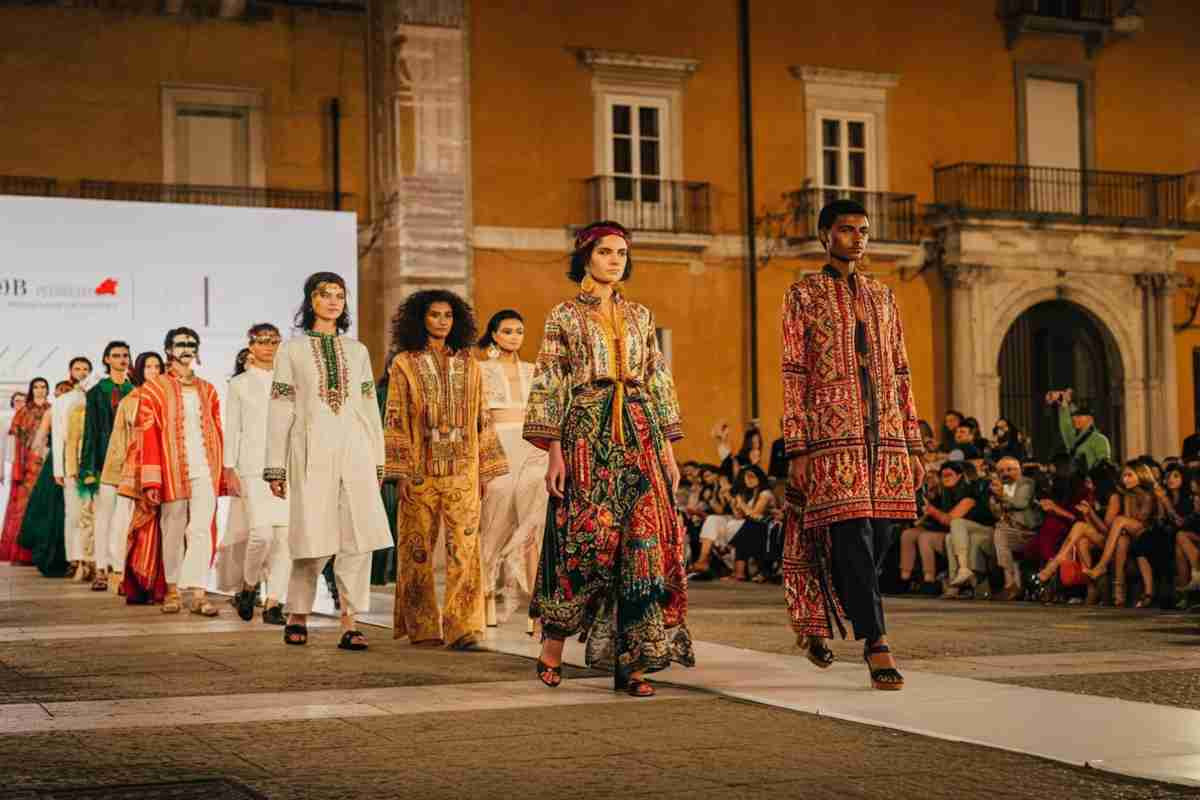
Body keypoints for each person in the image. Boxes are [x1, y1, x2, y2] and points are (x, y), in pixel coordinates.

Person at [526, 220, 692, 697]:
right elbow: (551, 380)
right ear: (585, 257)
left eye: (621, 252)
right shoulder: (563, 316)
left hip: (640, 431)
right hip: (585, 430)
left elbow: (657, 379)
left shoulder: (641, 316)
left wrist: (667, 449)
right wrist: (554, 449)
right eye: (605, 252)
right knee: (586, 537)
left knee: (642, 544)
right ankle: (553, 645)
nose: (615, 259)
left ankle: (632, 663)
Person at [781, 199, 924, 690]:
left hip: (884, 438)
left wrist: (914, 444)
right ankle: (876, 642)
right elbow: (793, 371)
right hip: (829, 437)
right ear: (825, 236)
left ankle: (828, 607)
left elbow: (901, 371)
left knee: (881, 531)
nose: (858, 238)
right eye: (846, 230)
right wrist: (797, 446)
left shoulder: (884, 297)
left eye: (863, 230)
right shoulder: (802, 295)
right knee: (852, 535)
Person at [267, 272, 392, 650]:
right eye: (325, 295)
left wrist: (377, 459)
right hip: (311, 449)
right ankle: (298, 614)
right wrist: (276, 464)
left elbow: (370, 407)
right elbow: (281, 407)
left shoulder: (357, 351)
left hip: (354, 448)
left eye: (340, 295)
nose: (334, 301)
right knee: (312, 534)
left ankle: (350, 620)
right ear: (311, 302)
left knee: (357, 536)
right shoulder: (292, 350)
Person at [385, 291, 507, 650]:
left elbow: (482, 416)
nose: (442, 321)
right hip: (419, 470)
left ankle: (463, 628)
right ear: (419, 319)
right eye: (434, 314)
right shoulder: (404, 363)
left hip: (464, 469)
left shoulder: (470, 364)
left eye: (448, 315)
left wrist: (485, 470)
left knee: (465, 549)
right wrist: (401, 471)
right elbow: (395, 417)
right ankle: (422, 626)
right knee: (417, 548)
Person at [133, 327, 226, 616]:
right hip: (170, 469)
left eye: (192, 344)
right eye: (181, 344)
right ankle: (172, 590)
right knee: (172, 529)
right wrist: (151, 476)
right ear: (169, 350)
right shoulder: (154, 388)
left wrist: (223, 470)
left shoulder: (207, 389)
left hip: (205, 468)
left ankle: (197, 592)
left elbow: (218, 429)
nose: (187, 348)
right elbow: (146, 434)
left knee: (201, 530)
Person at [476, 309, 549, 629]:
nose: (514, 336)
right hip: (498, 450)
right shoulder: (480, 371)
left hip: (533, 450)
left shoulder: (535, 371)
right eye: (507, 331)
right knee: (493, 527)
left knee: (532, 529)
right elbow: (480, 421)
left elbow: (543, 417)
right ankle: (486, 601)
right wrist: (481, 460)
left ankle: (537, 609)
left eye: (519, 331)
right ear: (493, 334)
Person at [223, 325, 291, 625]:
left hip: (288, 465)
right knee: (261, 534)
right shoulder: (239, 384)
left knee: (285, 538)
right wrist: (229, 468)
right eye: (262, 341)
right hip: (251, 466)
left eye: (274, 341)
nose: (268, 346)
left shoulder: (291, 381)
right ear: (251, 346)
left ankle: (275, 601)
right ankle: (249, 585)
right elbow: (233, 427)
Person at [101, 352, 164, 602]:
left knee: (162, 527)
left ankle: (160, 582)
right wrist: (114, 475)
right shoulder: (130, 400)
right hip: (135, 470)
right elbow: (118, 440)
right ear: (139, 370)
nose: (153, 370)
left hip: (162, 468)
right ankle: (127, 577)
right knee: (130, 525)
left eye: (157, 366)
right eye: (148, 366)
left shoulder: (168, 398)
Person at [80, 344, 133, 591]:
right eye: (116, 356)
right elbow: (89, 432)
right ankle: (101, 569)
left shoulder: (135, 390)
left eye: (125, 356)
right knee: (104, 518)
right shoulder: (96, 393)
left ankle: (119, 570)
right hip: (103, 463)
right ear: (106, 359)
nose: (122, 360)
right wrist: (88, 469)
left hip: (130, 462)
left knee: (124, 521)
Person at [18, 380, 77, 577]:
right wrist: (44, 458)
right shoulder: (51, 412)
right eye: (60, 391)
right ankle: (53, 556)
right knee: (52, 509)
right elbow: (38, 441)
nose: (63, 394)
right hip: (55, 461)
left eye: (66, 391)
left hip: (73, 460)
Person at [46, 357, 93, 581]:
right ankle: (75, 559)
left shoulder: (95, 397)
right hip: (70, 462)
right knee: (72, 514)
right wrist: (58, 469)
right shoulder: (62, 401)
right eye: (78, 368)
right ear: (70, 371)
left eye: (86, 369)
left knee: (93, 513)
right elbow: (57, 436)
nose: (82, 372)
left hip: (93, 463)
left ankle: (92, 559)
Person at [1, 378, 52, 564]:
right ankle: (22, 554)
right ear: (31, 390)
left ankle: (43, 554)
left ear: (48, 389)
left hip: (47, 462)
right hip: (27, 464)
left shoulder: (52, 409)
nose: (40, 390)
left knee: (46, 507)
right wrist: (17, 467)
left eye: (43, 387)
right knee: (22, 508)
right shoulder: (23, 412)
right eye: (36, 387)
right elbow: (17, 442)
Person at [989, 456, 1043, 600]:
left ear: (1019, 470)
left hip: (1028, 531)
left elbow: (1020, 503)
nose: (1005, 473)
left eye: (1010, 469)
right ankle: (1011, 584)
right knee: (1000, 532)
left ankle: (1010, 583)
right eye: (1001, 471)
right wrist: (995, 499)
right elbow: (996, 513)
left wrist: (1001, 496)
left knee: (1000, 533)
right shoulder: (998, 486)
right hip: (1010, 531)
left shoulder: (1027, 483)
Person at [725, 464, 774, 581]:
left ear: (759, 477)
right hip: (753, 526)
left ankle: (739, 572)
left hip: (767, 526)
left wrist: (741, 503)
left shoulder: (765, 493)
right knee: (746, 527)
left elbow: (756, 515)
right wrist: (733, 500)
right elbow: (739, 515)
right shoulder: (751, 494)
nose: (748, 480)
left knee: (749, 526)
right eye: (745, 477)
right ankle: (739, 573)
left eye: (751, 477)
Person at [1049, 390, 1111, 471]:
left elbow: (1104, 467)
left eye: (1079, 416)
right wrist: (1063, 404)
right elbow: (1066, 426)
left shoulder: (1100, 439)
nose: (1074, 419)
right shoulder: (1073, 438)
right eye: (1074, 416)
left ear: (1090, 419)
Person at [0, 392, 27, 525]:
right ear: (12, 403)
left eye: (23, 401)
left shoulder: (30, 420)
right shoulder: (5, 421)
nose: (20, 404)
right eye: (17, 401)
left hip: (26, 463)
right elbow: (1, 445)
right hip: (9, 461)